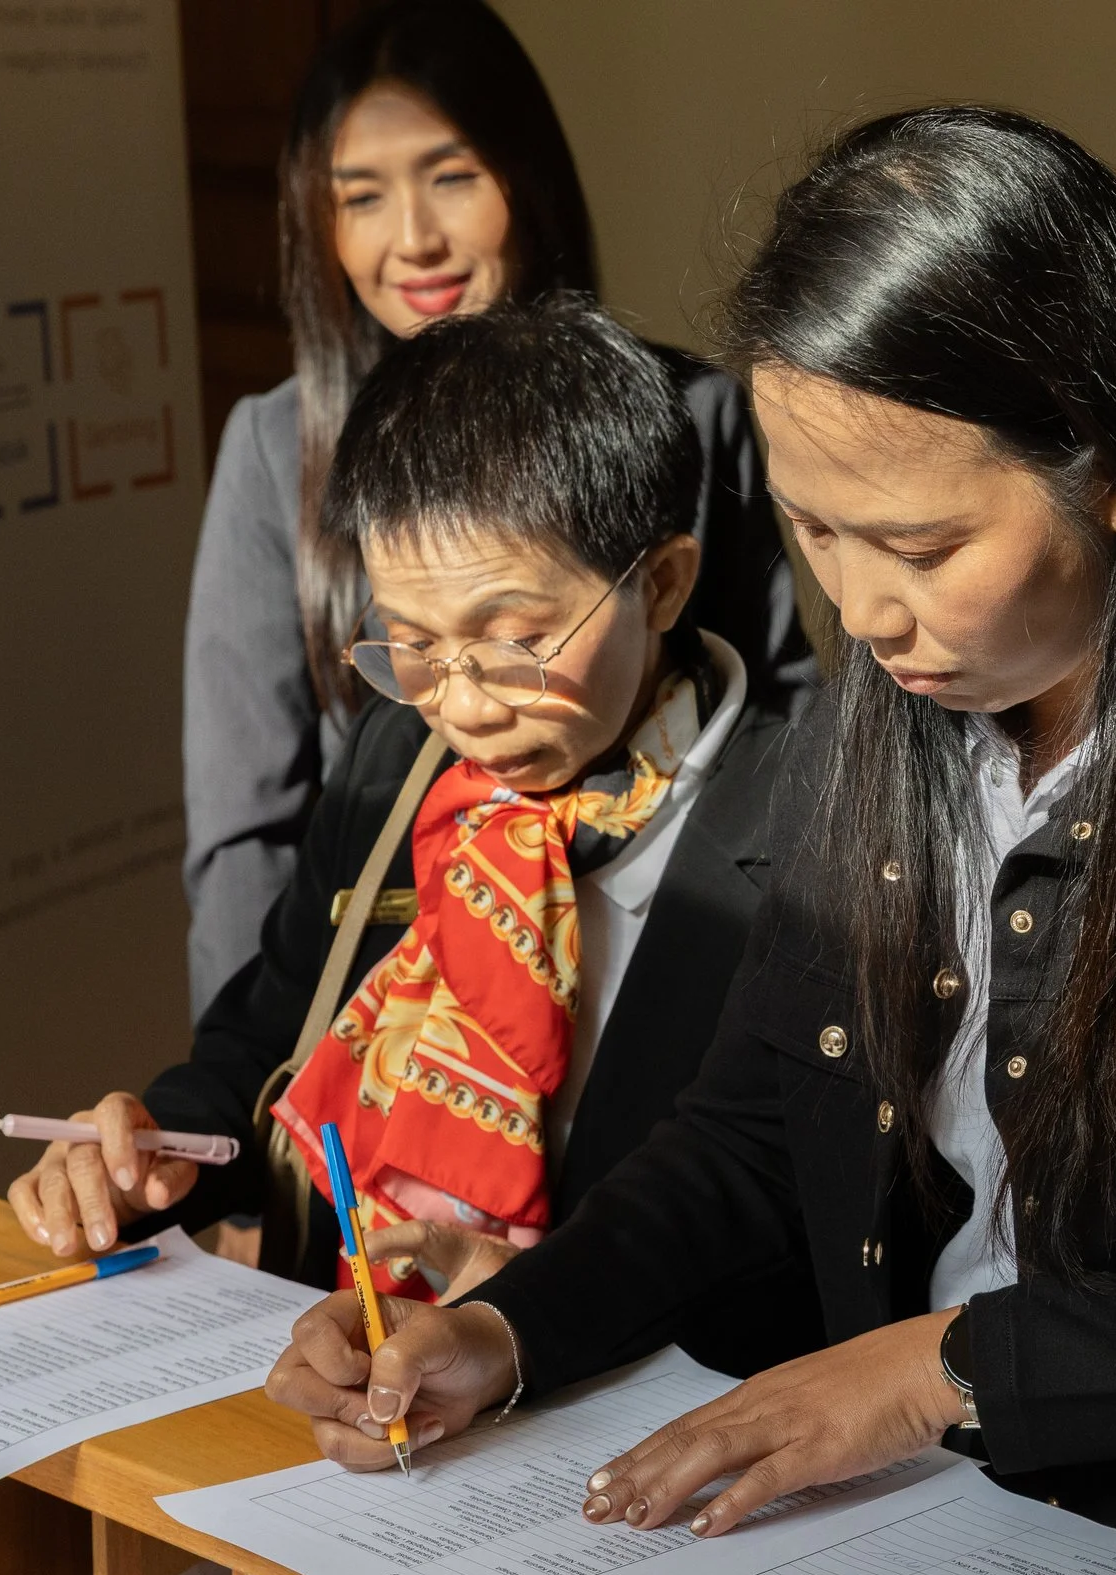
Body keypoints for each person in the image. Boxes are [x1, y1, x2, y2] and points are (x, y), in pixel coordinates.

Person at [264, 105, 1116, 1575]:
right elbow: (753, 1131)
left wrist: (937, 1365)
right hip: (964, 1530)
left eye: (922, 541)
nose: (869, 607)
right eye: (817, 532)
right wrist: (505, 1325)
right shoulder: (884, 726)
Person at [8, 298, 818, 1371]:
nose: (466, 703)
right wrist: (155, 1150)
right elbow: (268, 1032)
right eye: (413, 644)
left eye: (518, 640)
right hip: (358, 1376)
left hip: (646, 1421)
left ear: (662, 581)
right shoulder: (402, 767)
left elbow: (778, 1209)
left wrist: (534, 1307)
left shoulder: (808, 821)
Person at [183, 0, 809, 1024]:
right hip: (390, 985)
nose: (414, 238)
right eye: (361, 197)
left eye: (452, 176)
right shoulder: (276, 445)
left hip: (663, 970)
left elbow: (787, 713)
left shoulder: (693, 414)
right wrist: (245, 1086)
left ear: (528, 176)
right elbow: (242, 824)